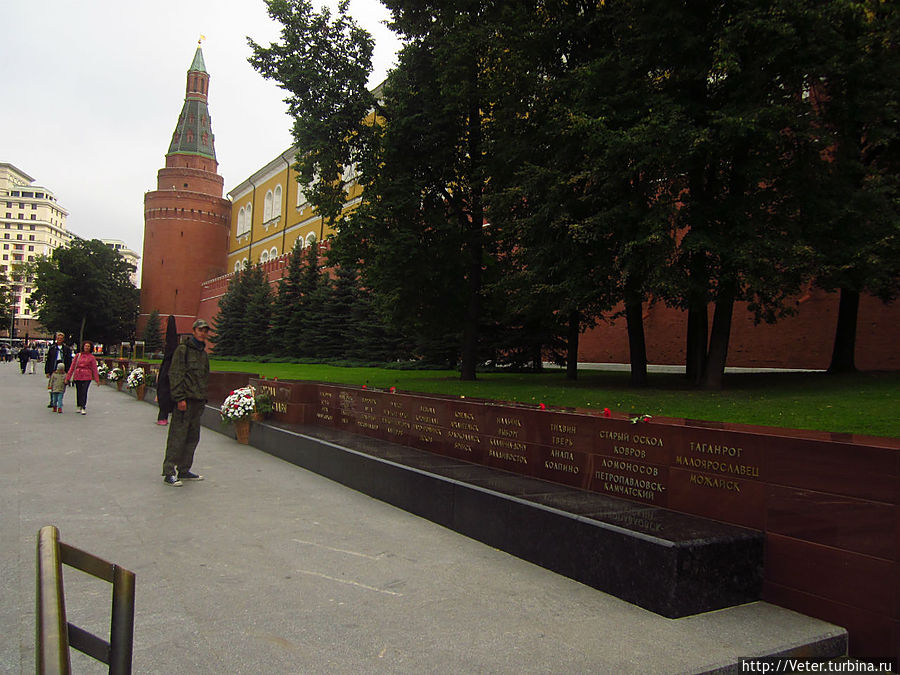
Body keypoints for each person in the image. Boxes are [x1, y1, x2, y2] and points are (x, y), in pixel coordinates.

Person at [162, 318, 210, 486]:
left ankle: (184, 469)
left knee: (192, 437)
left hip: (198, 401)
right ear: (194, 331)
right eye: (200, 330)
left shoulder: (203, 354)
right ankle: (169, 471)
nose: (203, 333)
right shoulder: (183, 350)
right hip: (185, 401)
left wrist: (204, 397)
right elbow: (175, 374)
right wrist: (179, 398)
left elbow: (204, 377)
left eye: (205, 330)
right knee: (178, 436)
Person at [65, 341, 100, 415]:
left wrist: (97, 379)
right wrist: (68, 377)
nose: (86, 348)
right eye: (85, 346)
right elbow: (72, 367)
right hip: (78, 374)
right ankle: (78, 405)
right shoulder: (78, 355)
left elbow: (94, 368)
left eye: (88, 346)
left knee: (84, 391)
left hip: (87, 376)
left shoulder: (91, 357)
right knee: (79, 391)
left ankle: (83, 406)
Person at [45, 332, 73, 408]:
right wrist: (47, 371)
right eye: (58, 338)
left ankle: (59, 400)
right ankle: (52, 401)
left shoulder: (66, 349)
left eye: (61, 338)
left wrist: (68, 371)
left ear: (63, 339)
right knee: (52, 385)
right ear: (56, 339)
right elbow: (48, 360)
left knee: (62, 385)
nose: (59, 340)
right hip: (53, 367)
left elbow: (69, 360)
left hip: (63, 367)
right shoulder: (52, 348)